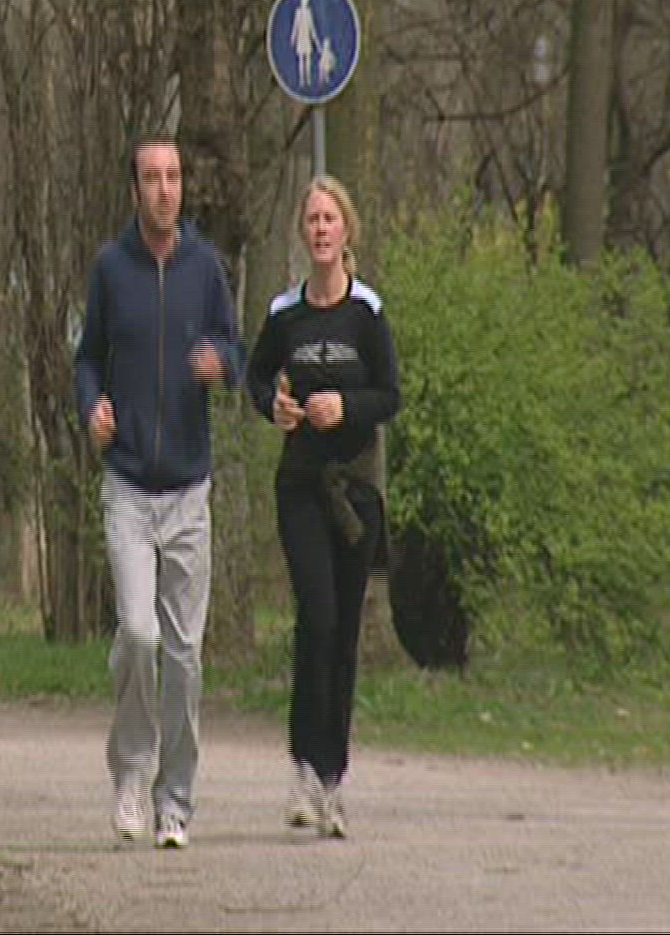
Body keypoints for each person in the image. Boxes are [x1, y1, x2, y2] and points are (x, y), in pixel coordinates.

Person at [74, 137, 244, 849]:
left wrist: (219, 364)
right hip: (127, 485)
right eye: (151, 177)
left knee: (183, 654)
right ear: (135, 189)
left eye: (173, 176)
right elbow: (88, 358)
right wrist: (93, 407)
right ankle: (130, 776)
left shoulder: (206, 267)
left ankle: (175, 799)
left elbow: (236, 352)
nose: (164, 188)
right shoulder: (112, 269)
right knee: (138, 634)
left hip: (188, 488)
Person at [245, 175, 400, 838]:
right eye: (311, 220)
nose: (320, 230)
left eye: (329, 219)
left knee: (343, 635)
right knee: (317, 617)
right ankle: (303, 770)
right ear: (302, 233)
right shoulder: (287, 313)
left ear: (346, 230)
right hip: (302, 485)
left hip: (355, 493)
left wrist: (347, 406)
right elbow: (257, 376)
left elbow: (390, 394)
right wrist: (274, 407)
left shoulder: (367, 312)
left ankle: (334, 777)